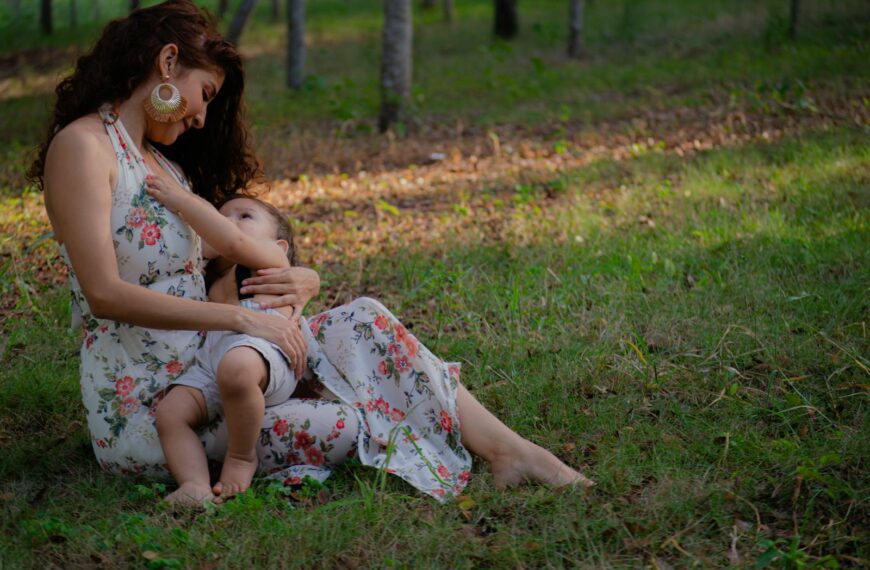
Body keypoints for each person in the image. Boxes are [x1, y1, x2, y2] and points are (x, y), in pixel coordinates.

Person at [31, 0, 593, 504]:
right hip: (157, 411)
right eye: (204, 95)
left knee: (365, 319)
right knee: (348, 422)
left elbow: (230, 253)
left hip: (216, 365)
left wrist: (305, 278)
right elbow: (104, 294)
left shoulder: (163, 166)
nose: (201, 118)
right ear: (168, 62)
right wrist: (242, 318)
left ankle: (510, 452)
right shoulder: (83, 148)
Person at [148, 187, 306, 504]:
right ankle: (193, 483)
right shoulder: (211, 279)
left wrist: (185, 203)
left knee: (236, 368)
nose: (227, 222)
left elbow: (235, 242)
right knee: (169, 412)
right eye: (221, 217)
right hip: (212, 359)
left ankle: (242, 456)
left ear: (280, 245)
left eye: (244, 216)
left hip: (265, 351)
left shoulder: (271, 261)